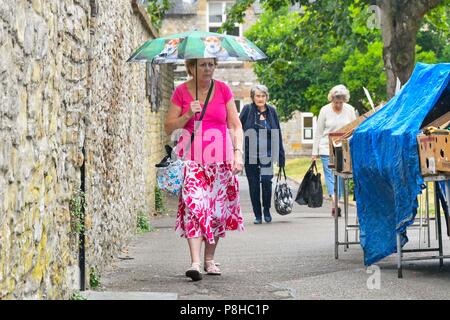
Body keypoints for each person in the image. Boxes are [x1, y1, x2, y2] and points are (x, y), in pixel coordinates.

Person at [164, 58, 244, 281]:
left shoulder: (223, 90)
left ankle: (210, 259)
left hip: (221, 161)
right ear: (191, 68)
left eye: (211, 64)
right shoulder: (181, 92)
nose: (207, 68)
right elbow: (168, 126)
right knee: (194, 207)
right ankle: (195, 263)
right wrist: (188, 114)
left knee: (216, 211)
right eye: (202, 65)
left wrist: (238, 153)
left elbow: (235, 124)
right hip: (191, 161)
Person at [239, 85, 285, 224]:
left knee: (266, 181)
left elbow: (277, 132)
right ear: (253, 97)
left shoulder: (271, 111)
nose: (260, 99)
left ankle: (266, 209)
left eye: (263, 96)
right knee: (253, 184)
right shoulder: (247, 110)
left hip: (267, 153)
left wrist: (281, 156)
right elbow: (238, 129)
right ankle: (257, 214)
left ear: (266, 97)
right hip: (250, 154)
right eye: (258, 96)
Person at [312, 85, 357, 217]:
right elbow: (319, 132)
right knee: (331, 176)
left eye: (340, 102)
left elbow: (355, 128)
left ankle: (336, 202)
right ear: (331, 99)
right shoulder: (324, 110)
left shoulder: (349, 110)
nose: (338, 105)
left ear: (345, 100)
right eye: (336, 102)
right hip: (326, 147)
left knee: (342, 175)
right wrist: (314, 152)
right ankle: (336, 202)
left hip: (344, 147)